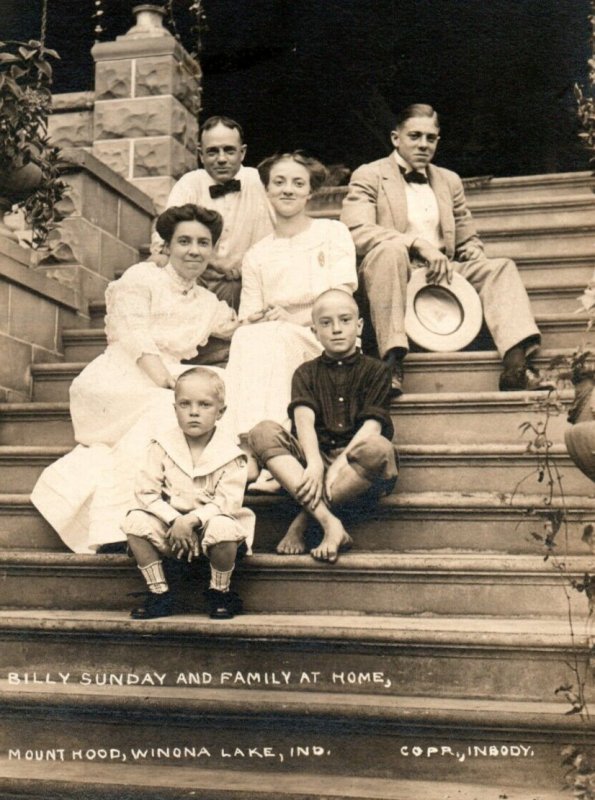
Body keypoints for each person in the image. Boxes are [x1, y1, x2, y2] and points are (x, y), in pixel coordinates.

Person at [31, 204, 245, 554]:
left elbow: (236, 324)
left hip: (168, 375)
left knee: (212, 392)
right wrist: (167, 383)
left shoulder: (207, 301)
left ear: (213, 250)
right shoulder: (141, 278)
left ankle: (198, 507)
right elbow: (135, 336)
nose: (194, 250)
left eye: (203, 243)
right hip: (119, 379)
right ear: (167, 246)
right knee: (168, 408)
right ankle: (115, 526)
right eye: (184, 241)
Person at [340, 103, 541, 396]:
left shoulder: (449, 180)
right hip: (395, 270)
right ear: (396, 138)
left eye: (430, 138)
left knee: (500, 267)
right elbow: (356, 231)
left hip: (441, 271)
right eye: (415, 136)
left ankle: (515, 368)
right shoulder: (370, 175)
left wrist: (472, 250)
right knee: (389, 252)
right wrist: (416, 244)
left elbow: (467, 235)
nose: (423, 144)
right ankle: (390, 365)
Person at [247, 289, 398, 563]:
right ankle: (331, 524)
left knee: (378, 448)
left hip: (355, 468)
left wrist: (337, 468)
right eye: (326, 323)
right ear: (314, 331)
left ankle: (303, 521)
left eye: (345, 320)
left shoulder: (377, 371)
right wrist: (315, 464)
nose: (336, 329)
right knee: (262, 432)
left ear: (360, 325)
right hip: (311, 461)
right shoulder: (305, 372)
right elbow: (303, 420)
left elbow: (372, 427)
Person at [222, 151, 357, 446]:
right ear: (267, 190)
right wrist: (257, 319)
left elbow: (342, 301)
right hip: (273, 336)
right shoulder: (257, 254)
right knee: (246, 337)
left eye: (298, 183)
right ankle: (247, 443)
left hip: (323, 335)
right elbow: (248, 316)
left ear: (310, 191)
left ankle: (273, 445)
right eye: (279, 182)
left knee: (277, 337)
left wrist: (295, 319)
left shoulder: (332, 232)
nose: (288, 189)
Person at [122, 368, 255, 620]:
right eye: (185, 404)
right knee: (135, 520)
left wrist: (191, 521)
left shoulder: (231, 454)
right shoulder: (161, 446)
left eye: (204, 404)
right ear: (175, 409)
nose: (194, 412)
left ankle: (219, 592)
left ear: (221, 411)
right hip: (172, 530)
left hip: (208, 531)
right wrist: (175, 520)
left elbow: (227, 502)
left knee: (224, 527)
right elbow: (146, 492)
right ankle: (160, 593)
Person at [154, 116, 275, 311]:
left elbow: (281, 234)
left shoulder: (261, 182)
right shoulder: (189, 183)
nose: (221, 159)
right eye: (212, 152)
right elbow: (165, 235)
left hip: (247, 283)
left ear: (242, 153)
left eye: (229, 150)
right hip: (195, 278)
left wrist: (249, 270)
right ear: (201, 155)